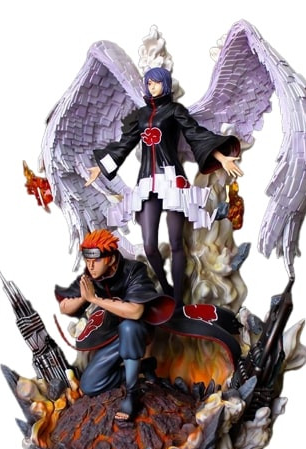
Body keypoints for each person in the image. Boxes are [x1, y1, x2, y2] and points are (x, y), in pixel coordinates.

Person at [86, 67, 243, 307]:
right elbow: (123, 144)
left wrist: (221, 158)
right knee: (149, 245)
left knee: (177, 243)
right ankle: (166, 287)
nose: (152, 86)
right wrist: (101, 166)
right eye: (149, 83)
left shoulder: (175, 110)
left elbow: (195, 134)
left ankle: (179, 300)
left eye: (156, 82)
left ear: (165, 84)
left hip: (172, 181)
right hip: (147, 183)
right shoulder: (140, 115)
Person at [55, 229, 175, 420]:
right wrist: (83, 298)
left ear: (110, 259)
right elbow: (64, 307)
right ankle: (143, 367)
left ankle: (132, 393)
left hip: (137, 333)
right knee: (90, 385)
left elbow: (136, 311)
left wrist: (95, 299)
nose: (90, 266)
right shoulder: (90, 276)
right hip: (112, 337)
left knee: (129, 327)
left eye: (96, 261)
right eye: (87, 260)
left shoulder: (133, 270)